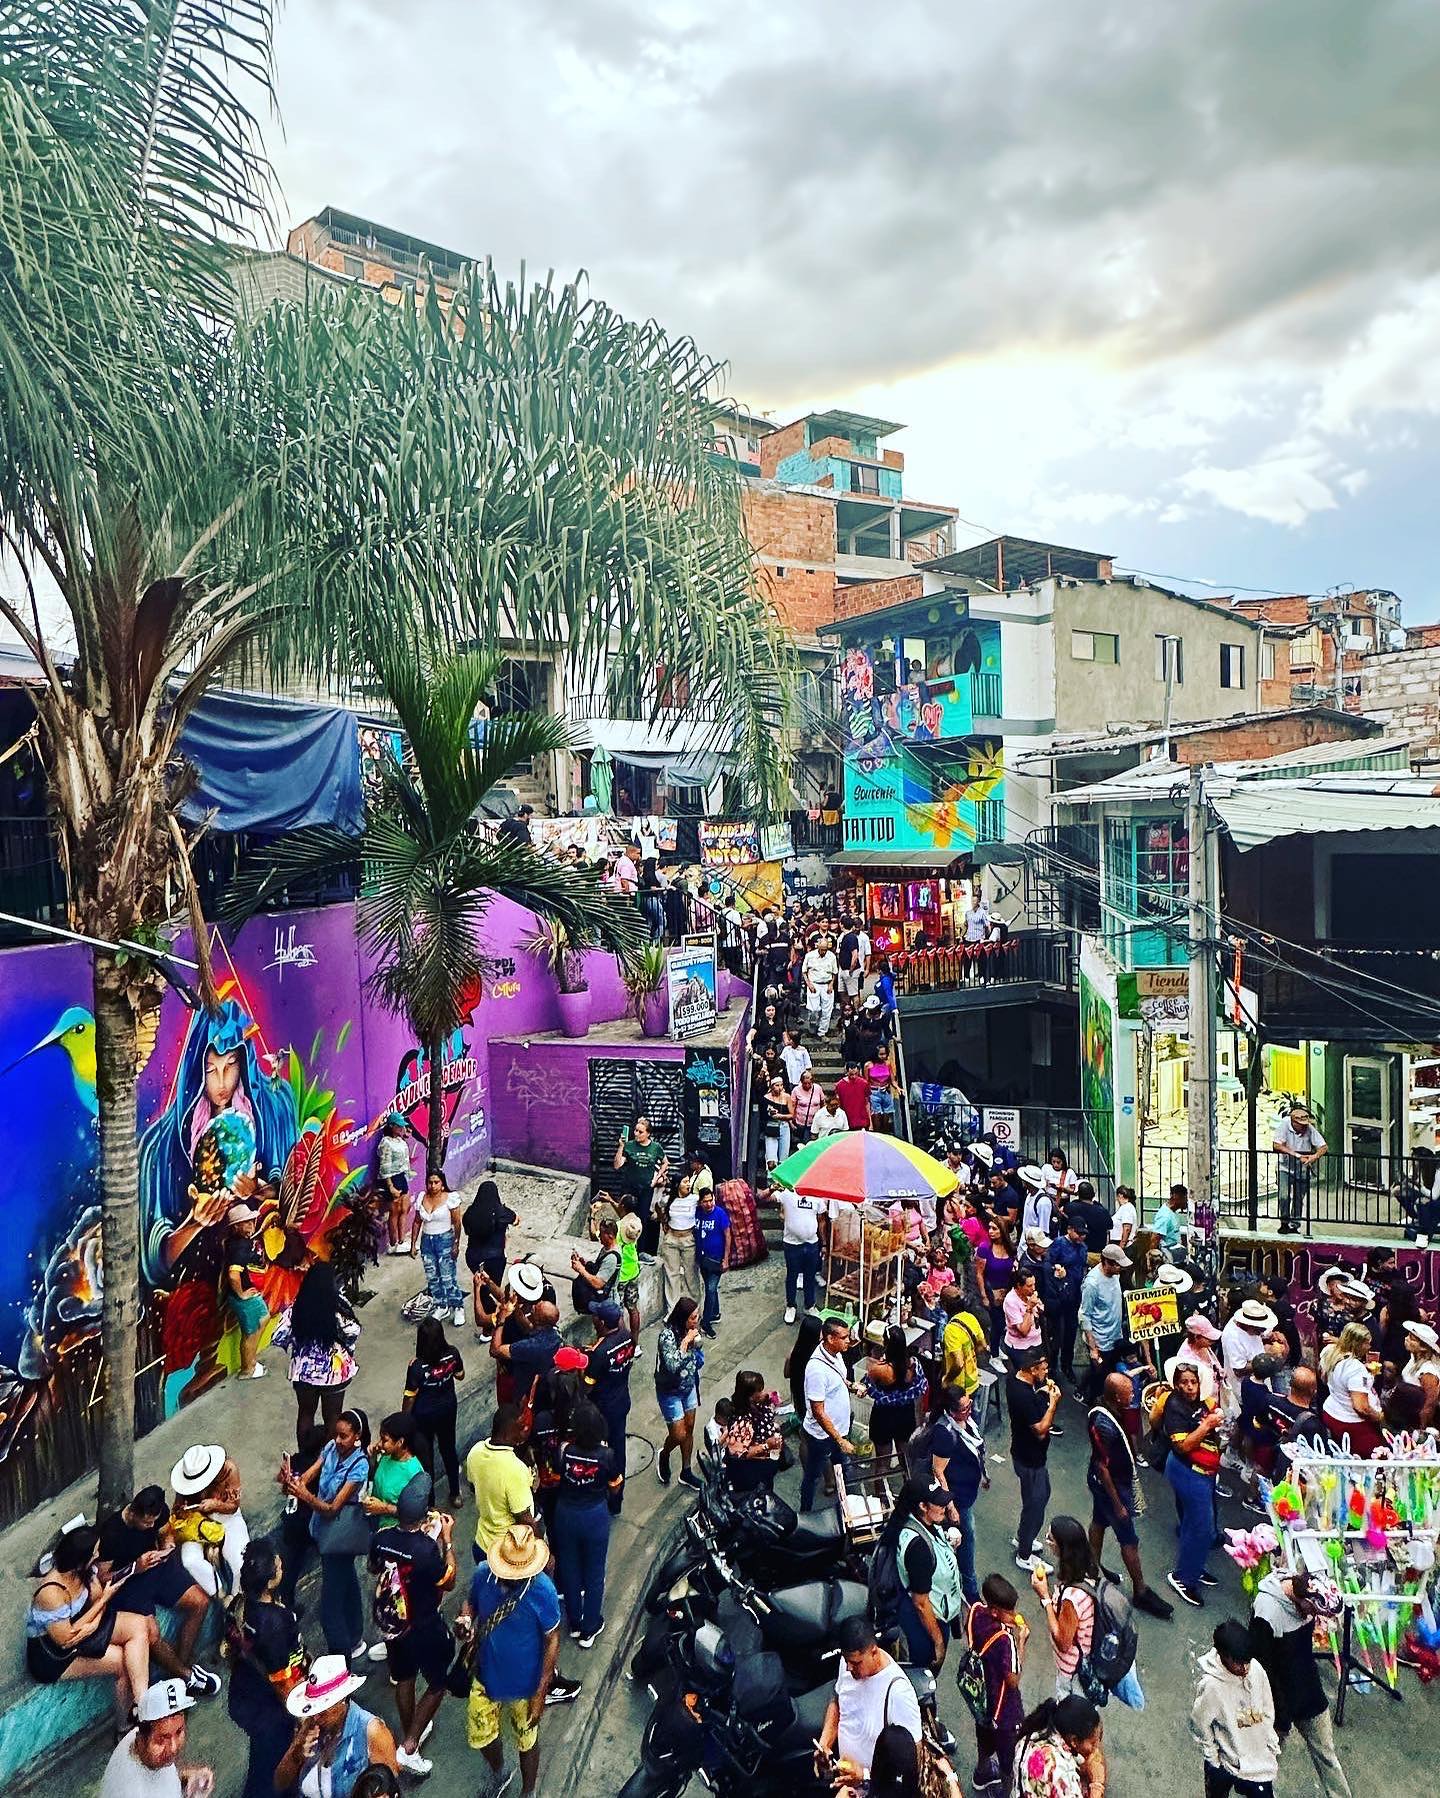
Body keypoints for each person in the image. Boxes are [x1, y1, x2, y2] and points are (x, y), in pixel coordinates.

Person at [460, 1524, 579, 1797]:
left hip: (526, 1684)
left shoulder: (544, 1591)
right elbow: (470, 1603)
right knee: (482, 1737)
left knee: (527, 1742)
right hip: (486, 1674)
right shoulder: (482, 1575)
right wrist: (465, 1618)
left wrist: (541, 1690)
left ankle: (528, 1791)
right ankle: (499, 1772)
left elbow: (552, 1639)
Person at [368, 1474, 456, 1775]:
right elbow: (449, 1581)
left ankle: (411, 1729)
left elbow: (372, 1568)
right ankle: (409, 1746)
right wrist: (446, 1539)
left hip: (396, 1627)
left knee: (404, 1678)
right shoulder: (426, 1549)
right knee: (437, 1683)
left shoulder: (380, 1539)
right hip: (425, 1625)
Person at [96, 1487, 217, 1693]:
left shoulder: (158, 1514)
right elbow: (102, 1577)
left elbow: (166, 1531)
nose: (151, 1525)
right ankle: (186, 1675)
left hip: (156, 1568)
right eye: (146, 1522)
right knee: (150, 1635)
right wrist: (135, 1567)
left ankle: (180, 1669)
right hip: (127, 1583)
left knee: (200, 1602)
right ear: (133, 1513)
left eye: (153, 1521)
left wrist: (166, 1547)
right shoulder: (112, 1532)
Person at [25, 1524, 154, 1714]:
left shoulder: (85, 1571)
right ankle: (125, 1725)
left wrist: (92, 1622)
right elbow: (66, 1640)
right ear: (79, 1560)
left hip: (82, 1625)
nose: (98, 1554)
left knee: (140, 1624)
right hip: (54, 1654)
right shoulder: (51, 1593)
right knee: (120, 1661)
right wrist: (103, 1601)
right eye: (94, 1552)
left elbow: (96, 1603)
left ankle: (143, 1704)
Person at [1249, 1568, 1351, 1798]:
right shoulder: (1267, 1611)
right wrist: (1278, 1716)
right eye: (1314, 1611)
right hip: (1276, 1698)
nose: (1313, 1616)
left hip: (1307, 1689)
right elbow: (1261, 1666)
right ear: (1304, 1600)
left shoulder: (1303, 1595)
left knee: (1326, 1755)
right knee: (1266, 1762)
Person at [281, 1408, 372, 1659]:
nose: (339, 1440)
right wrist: (293, 1480)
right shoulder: (331, 1448)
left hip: (339, 1534)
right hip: (324, 1531)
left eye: (344, 1436)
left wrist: (304, 1496)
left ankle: (340, 1657)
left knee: (329, 1609)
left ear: (358, 1436)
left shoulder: (359, 1466)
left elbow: (332, 1509)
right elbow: (311, 1474)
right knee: (348, 1582)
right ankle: (355, 1637)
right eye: (337, 1435)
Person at [1087, 1373, 1172, 1618]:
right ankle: (1140, 1590)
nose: (1133, 1395)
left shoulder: (1109, 1409)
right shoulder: (1105, 1426)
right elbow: (1103, 1467)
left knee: (1098, 1522)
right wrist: (1118, 1504)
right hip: (1111, 1487)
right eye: (1129, 1393)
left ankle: (1092, 1570)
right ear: (1116, 1396)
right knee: (1129, 1539)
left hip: (1107, 1482)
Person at [225, 1538, 304, 1798]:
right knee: (277, 1765)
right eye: (278, 1566)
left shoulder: (239, 1605)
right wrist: (300, 1714)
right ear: (270, 1581)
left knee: (262, 1757)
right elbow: (282, 1681)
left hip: (244, 1694)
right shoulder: (276, 1622)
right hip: (269, 1708)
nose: (281, 1566)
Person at [552, 1399, 623, 1648]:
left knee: (569, 1568)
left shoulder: (564, 1450)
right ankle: (590, 1627)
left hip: (565, 1514)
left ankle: (575, 1622)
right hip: (594, 1515)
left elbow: (558, 1475)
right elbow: (615, 1484)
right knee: (594, 1572)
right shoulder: (606, 1455)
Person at [275, 1657, 400, 1798]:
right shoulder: (309, 1725)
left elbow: (388, 1787)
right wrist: (295, 1753)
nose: (316, 1718)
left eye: (323, 1711)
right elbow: (280, 1783)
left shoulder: (372, 1731)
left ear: (342, 1700)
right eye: (314, 1711)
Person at [818, 1617, 922, 1781]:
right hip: (844, 1777)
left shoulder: (899, 1693)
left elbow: (912, 1762)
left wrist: (864, 1777)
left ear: (874, 1652)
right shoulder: (848, 1663)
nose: (849, 1668)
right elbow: (838, 1702)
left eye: (856, 1663)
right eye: (846, 1661)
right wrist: (825, 1744)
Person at [273, 1261, 361, 1447]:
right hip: (334, 1373)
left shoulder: (297, 1306)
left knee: (305, 1413)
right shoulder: (338, 1304)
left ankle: (304, 1455)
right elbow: (353, 1331)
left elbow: (278, 1336)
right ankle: (326, 1462)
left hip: (303, 1374)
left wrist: (298, 1342)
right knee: (333, 1416)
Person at [1190, 1618, 1280, 1798]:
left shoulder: (1256, 1670)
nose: (1245, 1668)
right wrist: (1213, 1758)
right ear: (1223, 1655)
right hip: (1225, 1764)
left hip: (1259, 1763)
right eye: (1238, 1663)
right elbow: (1199, 1723)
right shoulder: (1212, 1687)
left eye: (1247, 1662)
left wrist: (1269, 1742)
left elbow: (1267, 1708)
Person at [1161, 1364, 1223, 1608]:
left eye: (1193, 1382)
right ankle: (1183, 1578)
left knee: (1192, 1523)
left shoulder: (1203, 1402)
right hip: (1188, 1472)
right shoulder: (1174, 1407)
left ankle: (1193, 1567)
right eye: (1184, 1382)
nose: (1189, 1387)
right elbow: (1183, 1446)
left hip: (1204, 1473)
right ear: (1177, 1384)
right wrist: (1207, 1425)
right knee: (1202, 1527)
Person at [892, 1479, 964, 1671]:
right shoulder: (919, 1549)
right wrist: (938, 1642)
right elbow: (921, 1603)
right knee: (925, 1671)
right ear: (923, 1506)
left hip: (930, 1611)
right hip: (929, 1621)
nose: (944, 1507)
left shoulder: (919, 1523)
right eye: (938, 1503)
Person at [100, 1678, 214, 1798]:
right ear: (141, 1738)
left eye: (179, 1732)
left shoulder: (143, 1744)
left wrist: (186, 1780)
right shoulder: (130, 1791)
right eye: (162, 1739)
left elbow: (160, 1779)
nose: (173, 1747)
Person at [966, 1574, 1027, 1795]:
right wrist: (1021, 1642)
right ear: (994, 1611)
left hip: (981, 1698)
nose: (1013, 1615)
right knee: (1007, 1755)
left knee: (983, 1736)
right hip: (1003, 1711)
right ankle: (1006, 1790)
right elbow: (1013, 1680)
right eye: (1008, 1611)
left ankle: (982, 1772)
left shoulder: (975, 1613)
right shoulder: (1006, 1640)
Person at [170, 1443, 249, 1599]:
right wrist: (183, 1510)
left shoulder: (229, 1469)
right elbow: (176, 1510)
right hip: (197, 1524)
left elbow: (233, 1507)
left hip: (226, 1517)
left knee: (240, 1559)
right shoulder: (183, 1482)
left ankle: (238, 1599)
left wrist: (216, 1505)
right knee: (190, 1561)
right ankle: (220, 1596)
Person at [1007, 1348, 1061, 1574]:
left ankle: (1023, 1538)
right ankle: (1025, 1554)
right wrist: (1053, 1403)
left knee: (1039, 1497)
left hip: (1027, 1455)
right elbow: (1040, 1430)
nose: (1047, 1371)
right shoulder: (1024, 1396)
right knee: (1035, 1505)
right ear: (1031, 1369)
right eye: (1043, 1368)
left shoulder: (1017, 1382)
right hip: (1030, 1459)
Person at [1029, 1516, 1096, 1698]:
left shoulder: (1072, 1598)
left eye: (1050, 1539)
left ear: (1063, 1548)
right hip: (1083, 1659)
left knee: (1067, 1712)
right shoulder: (1088, 1570)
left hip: (1072, 1673)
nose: (1047, 1541)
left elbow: (1063, 1641)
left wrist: (1045, 1597)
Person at [403, 1316, 465, 1507]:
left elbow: (410, 1396)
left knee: (426, 1457)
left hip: (423, 1417)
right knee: (448, 1450)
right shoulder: (453, 1354)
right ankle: (456, 1494)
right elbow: (460, 1375)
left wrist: (404, 1419)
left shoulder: (417, 1367)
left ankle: (430, 1504)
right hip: (447, 1409)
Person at [465, 1403, 539, 1556]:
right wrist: (541, 1552)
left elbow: (474, 1487)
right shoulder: (514, 1469)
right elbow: (525, 1520)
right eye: (522, 1427)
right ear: (508, 1432)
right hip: (507, 1552)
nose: (526, 1430)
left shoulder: (475, 1451)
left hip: (482, 1543)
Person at [801, 1314, 855, 1510]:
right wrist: (840, 1440)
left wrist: (850, 1385)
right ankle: (805, 1512)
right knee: (812, 1477)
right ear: (830, 1339)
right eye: (844, 1337)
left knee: (843, 1469)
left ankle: (847, 1507)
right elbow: (818, 1411)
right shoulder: (816, 1370)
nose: (848, 1341)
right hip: (822, 1436)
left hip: (840, 1429)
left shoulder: (837, 1355)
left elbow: (838, 1379)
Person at [864, 1324, 929, 1473]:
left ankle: (881, 1496)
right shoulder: (914, 1365)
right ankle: (910, 1490)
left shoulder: (880, 1370)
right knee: (906, 1459)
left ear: (886, 1343)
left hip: (883, 1417)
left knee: (882, 1463)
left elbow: (867, 1386)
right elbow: (920, 1389)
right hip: (905, 1416)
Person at [1012, 1694, 1104, 1798]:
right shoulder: (1061, 1774)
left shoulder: (1033, 1735)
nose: (1095, 1748)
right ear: (1074, 1740)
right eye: (1092, 1743)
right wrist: (1097, 1784)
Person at [654, 1296, 704, 1489]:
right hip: (670, 1391)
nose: (696, 1321)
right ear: (683, 1317)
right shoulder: (667, 1336)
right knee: (679, 1434)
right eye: (693, 1317)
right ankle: (665, 1453)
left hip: (689, 1386)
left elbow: (698, 1361)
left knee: (690, 1427)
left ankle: (686, 1470)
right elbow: (672, 1365)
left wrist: (697, 1348)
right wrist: (685, 1343)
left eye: (697, 1317)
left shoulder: (693, 1332)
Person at [462, 1178, 517, 1339]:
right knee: (494, 1290)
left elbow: (467, 1230)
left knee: (483, 1289)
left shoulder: (470, 1213)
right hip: (495, 1259)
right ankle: (491, 1324)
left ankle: (488, 1324)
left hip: (473, 1258)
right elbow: (517, 1220)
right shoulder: (501, 1213)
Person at [1320, 1321, 1385, 1456]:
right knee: (1378, 1454)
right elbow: (1361, 1407)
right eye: (1367, 1343)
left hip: (1332, 1411)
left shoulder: (1330, 1353)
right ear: (1357, 1344)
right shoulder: (1355, 1369)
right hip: (1350, 1422)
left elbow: (1324, 1377)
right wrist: (1379, 1417)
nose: (1369, 1347)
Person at [409, 1168, 465, 1325]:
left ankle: (458, 1306)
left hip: (445, 1240)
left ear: (442, 1184)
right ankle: (441, 1305)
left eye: (436, 1182)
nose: (432, 1186)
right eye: (430, 1182)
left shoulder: (450, 1199)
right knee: (432, 1277)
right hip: (427, 1242)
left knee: (448, 1277)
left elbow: (457, 1223)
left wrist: (456, 1244)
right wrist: (413, 1244)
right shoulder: (422, 1198)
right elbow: (417, 1222)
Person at [1078, 1243, 1130, 1403]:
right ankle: (1090, 1400)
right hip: (1100, 1338)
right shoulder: (1092, 1284)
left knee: (1105, 1368)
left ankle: (1082, 1389)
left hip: (1114, 1334)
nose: (1120, 1268)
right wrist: (1093, 1348)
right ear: (1107, 1262)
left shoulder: (1115, 1275)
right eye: (1118, 1265)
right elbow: (1084, 1315)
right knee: (1099, 1375)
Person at [223, 1203, 269, 1379]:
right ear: (236, 1227)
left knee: (258, 1324)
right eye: (246, 1222)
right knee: (252, 1330)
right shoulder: (240, 1247)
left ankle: (251, 1363)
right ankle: (247, 1369)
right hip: (243, 1297)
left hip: (242, 1294)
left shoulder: (237, 1242)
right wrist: (241, 1293)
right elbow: (234, 1275)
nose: (251, 1225)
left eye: (252, 1221)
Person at [612, 1116, 668, 1255]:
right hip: (630, 1188)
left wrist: (656, 1178)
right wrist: (621, 1146)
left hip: (645, 1189)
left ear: (648, 1133)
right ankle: (623, 1247)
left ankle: (639, 1251)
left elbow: (665, 1162)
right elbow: (617, 1165)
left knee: (642, 1219)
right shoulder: (630, 1145)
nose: (636, 1134)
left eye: (640, 1131)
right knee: (626, 1217)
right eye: (636, 1131)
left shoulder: (655, 1148)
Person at [720, 1369, 783, 1493]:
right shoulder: (742, 1423)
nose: (763, 1393)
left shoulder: (755, 1405)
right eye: (759, 1391)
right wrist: (766, 1445)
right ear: (749, 1397)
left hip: (767, 1463)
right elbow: (740, 1454)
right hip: (752, 1473)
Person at [1042, 1219, 1088, 1388]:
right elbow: (1047, 1266)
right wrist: (1057, 1272)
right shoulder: (1058, 1245)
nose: (1081, 1237)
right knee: (1057, 1336)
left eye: (1084, 1234)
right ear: (1069, 1229)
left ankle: (1067, 1365)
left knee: (1070, 1334)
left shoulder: (1082, 1247)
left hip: (1074, 1297)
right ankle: (1052, 1367)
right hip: (1059, 1298)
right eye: (1078, 1233)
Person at [364, 1412, 427, 1527]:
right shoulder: (386, 1455)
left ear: (400, 1442)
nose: (379, 1444)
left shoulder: (414, 1473)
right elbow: (375, 1478)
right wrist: (372, 1457)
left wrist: (384, 1508)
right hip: (372, 1519)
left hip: (391, 1528)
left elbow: (414, 1514)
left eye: (384, 1440)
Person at [1274, 1102, 1326, 1235]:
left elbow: (1323, 1147)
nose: (1304, 1127)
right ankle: (1284, 1222)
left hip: (1302, 1169)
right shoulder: (1285, 1124)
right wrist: (1298, 1155)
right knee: (1284, 1196)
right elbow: (1277, 1145)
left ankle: (1294, 1225)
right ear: (1293, 1122)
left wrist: (1314, 1157)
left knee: (1299, 1198)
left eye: (1305, 1124)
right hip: (1284, 1167)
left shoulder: (1309, 1129)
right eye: (1301, 1125)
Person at [693, 1183, 731, 1338]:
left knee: (709, 1289)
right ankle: (715, 1313)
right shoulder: (697, 1213)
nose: (709, 1204)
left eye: (711, 1200)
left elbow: (728, 1235)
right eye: (705, 1201)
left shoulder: (720, 1214)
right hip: (702, 1258)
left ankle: (706, 1323)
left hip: (716, 1259)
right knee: (711, 1288)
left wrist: (726, 1259)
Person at [975, 1218, 1017, 1353]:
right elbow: (979, 1274)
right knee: (997, 1323)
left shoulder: (1010, 1248)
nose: (991, 1232)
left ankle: (997, 1347)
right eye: (990, 1228)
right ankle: (994, 1353)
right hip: (991, 1290)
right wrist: (983, 1295)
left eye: (995, 1228)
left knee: (1004, 1322)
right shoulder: (984, 1248)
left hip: (1007, 1292)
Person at [376, 1115, 413, 1256]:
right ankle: (393, 1243)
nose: (402, 1128)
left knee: (404, 1209)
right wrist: (390, 1186)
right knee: (395, 1212)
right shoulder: (386, 1143)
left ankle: (402, 1242)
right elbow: (384, 1166)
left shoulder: (400, 1140)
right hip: (392, 1179)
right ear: (391, 1126)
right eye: (399, 1126)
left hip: (402, 1176)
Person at [941, 1287, 988, 1398]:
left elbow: (958, 1363)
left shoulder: (951, 1330)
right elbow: (983, 1346)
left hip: (958, 1387)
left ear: (944, 1305)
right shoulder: (970, 1317)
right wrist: (969, 1356)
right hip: (973, 1381)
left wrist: (946, 1380)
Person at [1171, 1311, 1225, 1404]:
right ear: (1196, 1337)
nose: (1212, 1340)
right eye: (1208, 1338)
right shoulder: (1186, 1358)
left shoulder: (1204, 1347)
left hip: (1215, 1398)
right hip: (1202, 1403)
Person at [1401, 1320, 1440, 1426]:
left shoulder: (1428, 1372)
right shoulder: (1414, 1357)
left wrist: (1421, 1428)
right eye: (1408, 1335)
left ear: (1423, 1347)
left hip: (1416, 1419)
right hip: (1405, 1410)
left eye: (1411, 1339)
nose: (1406, 1339)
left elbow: (1429, 1405)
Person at [1003, 1267, 1045, 1360]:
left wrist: (1038, 1306)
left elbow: (1041, 1310)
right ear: (1019, 1285)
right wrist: (1029, 1308)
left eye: (1034, 1284)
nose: (1033, 1288)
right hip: (1021, 1348)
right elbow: (1023, 1331)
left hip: (1036, 1342)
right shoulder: (1011, 1301)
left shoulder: (1030, 1294)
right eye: (1029, 1286)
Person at [803, 932, 839, 1038]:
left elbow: (834, 973)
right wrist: (809, 984)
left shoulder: (831, 956)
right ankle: (812, 1026)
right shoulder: (810, 956)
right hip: (813, 984)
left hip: (827, 984)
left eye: (825, 949)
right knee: (813, 1009)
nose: (823, 951)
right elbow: (804, 971)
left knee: (827, 1011)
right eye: (821, 949)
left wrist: (831, 984)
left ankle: (822, 1032)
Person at [1064, 1181, 1111, 1257]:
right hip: (1098, 1252)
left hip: (1077, 1251)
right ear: (1093, 1195)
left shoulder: (1071, 1207)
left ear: (1078, 1194)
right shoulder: (1102, 1211)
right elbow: (1109, 1227)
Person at [867, 1044, 900, 1135]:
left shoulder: (888, 1064)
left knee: (887, 1114)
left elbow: (892, 1079)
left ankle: (885, 1132)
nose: (883, 1056)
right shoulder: (868, 1065)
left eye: (884, 1054)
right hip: (874, 1092)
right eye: (881, 1054)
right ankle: (877, 1133)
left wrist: (897, 1088)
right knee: (876, 1114)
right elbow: (866, 1082)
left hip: (885, 1091)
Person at [792, 1066, 827, 1144]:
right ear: (801, 1082)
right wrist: (792, 1121)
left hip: (815, 1122)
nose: (807, 1085)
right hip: (801, 1123)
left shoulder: (818, 1088)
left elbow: (822, 1103)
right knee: (806, 1143)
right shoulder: (796, 1090)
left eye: (809, 1083)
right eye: (805, 1083)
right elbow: (793, 1106)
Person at [1150, 1183, 1189, 1254]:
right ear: (1177, 1197)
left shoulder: (1173, 1212)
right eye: (1185, 1198)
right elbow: (1155, 1239)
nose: (1186, 1201)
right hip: (1167, 1256)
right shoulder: (1165, 1215)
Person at [836, 1060, 873, 1131]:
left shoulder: (864, 1083)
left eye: (856, 1074)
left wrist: (870, 1123)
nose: (853, 1077)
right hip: (847, 1121)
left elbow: (867, 1103)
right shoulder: (840, 1085)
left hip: (862, 1120)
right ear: (847, 1072)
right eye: (851, 1074)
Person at [1018, 1167, 1053, 1241]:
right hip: (1025, 1242)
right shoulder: (1029, 1195)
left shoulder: (1043, 1202)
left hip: (1034, 1244)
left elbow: (1043, 1229)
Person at [1108, 1185, 1137, 1252]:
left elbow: (1127, 1228)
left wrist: (1121, 1246)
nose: (1116, 1199)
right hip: (1118, 1243)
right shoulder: (1125, 1207)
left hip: (1123, 1245)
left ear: (1120, 1195)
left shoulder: (1127, 1208)